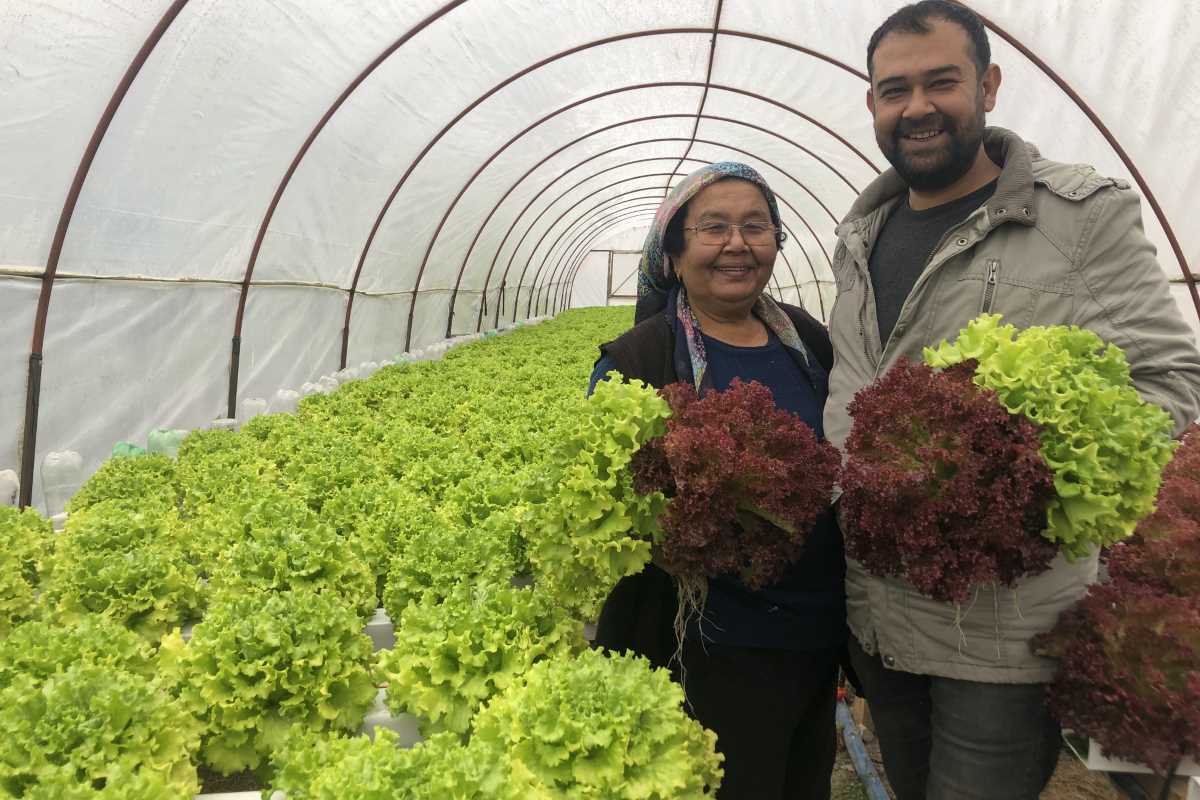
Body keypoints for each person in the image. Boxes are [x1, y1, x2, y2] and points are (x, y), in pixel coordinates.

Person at [824, 3, 1200, 799]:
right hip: (877, 613)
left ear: (989, 86)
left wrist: (1020, 474)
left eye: (942, 82)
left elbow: (1172, 380)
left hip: (1002, 635)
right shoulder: (860, 235)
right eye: (895, 90)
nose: (917, 107)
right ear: (872, 106)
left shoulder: (1076, 216)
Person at [588, 161, 846, 800]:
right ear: (673, 253)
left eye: (755, 228)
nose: (737, 244)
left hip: (814, 640)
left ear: (775, 245)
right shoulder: (634, 362)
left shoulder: (810, 343)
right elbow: (608, 510)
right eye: (714, 228)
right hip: (700, 650)